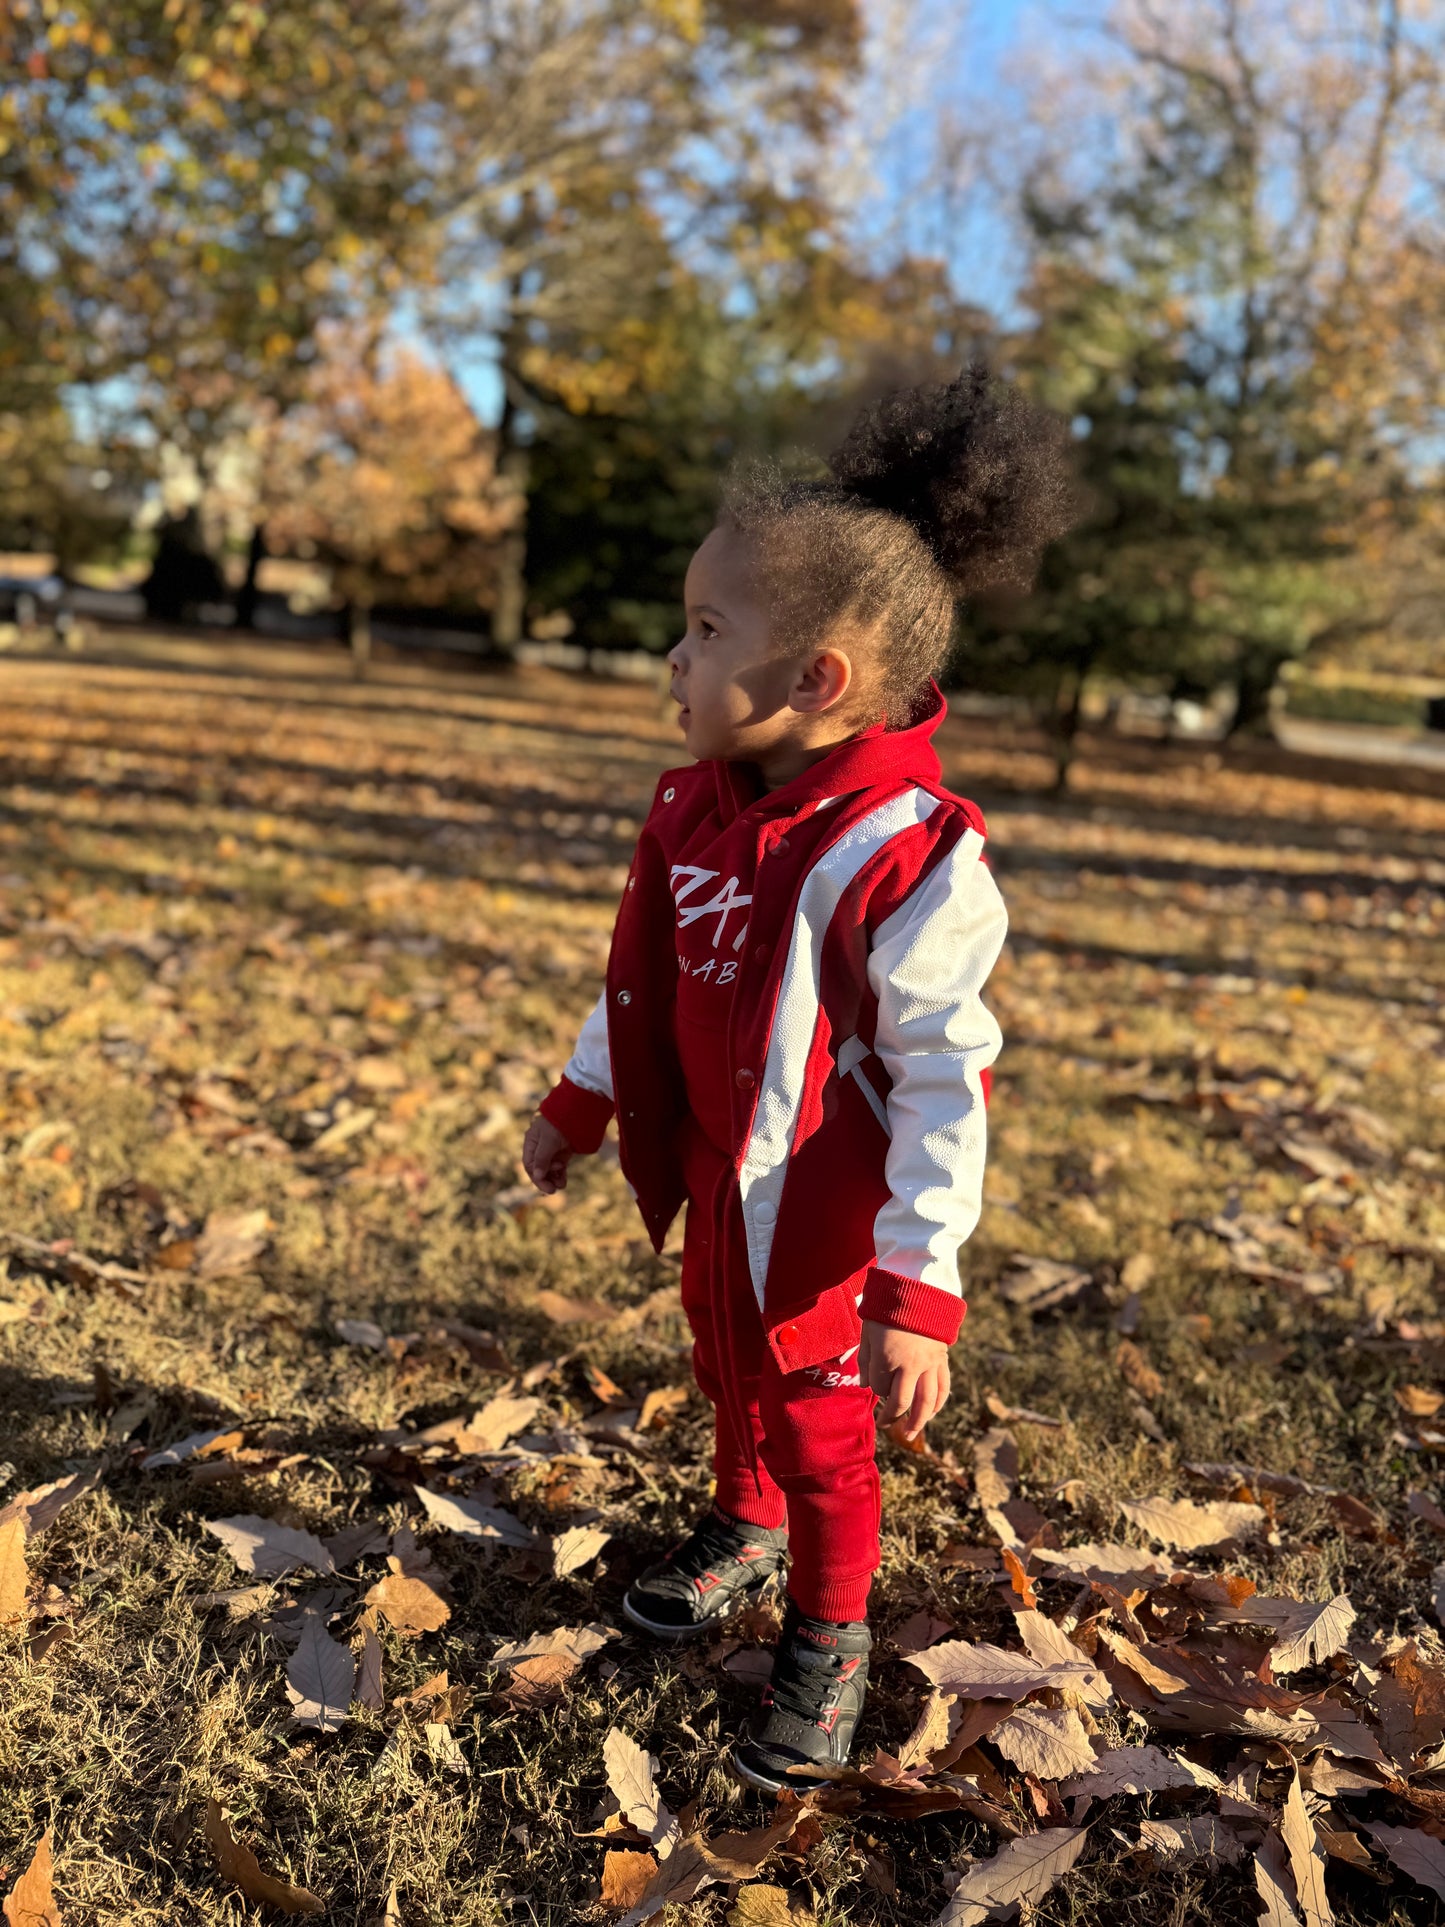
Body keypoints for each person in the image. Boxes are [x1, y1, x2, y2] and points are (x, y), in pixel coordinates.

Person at [522, 365, 1078, 1791]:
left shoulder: (907, 851)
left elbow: (947, 1072)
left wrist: (916, 1281)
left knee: (824, 1428)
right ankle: (739, 1515)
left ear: (814, 681)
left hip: (823, 1214)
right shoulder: (691, 810)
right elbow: (638, 977)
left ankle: (827, 1637)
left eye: (707, 632)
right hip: (720, 1179)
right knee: (725, 1369)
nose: (673, 656)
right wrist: (583, 1101)